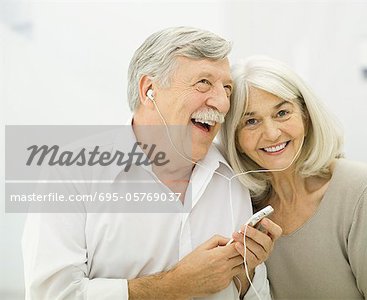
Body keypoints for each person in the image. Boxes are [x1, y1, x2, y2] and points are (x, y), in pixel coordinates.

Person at [22, 27, 281, 300]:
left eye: (226, 88)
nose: (222, 103)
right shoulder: (69, 173)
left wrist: (245, 273)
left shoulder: (233, 174)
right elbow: (50, 295)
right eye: (203, 82)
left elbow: (255, 294)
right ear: (149, 91)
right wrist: (175, 285)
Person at [220, 56, 367, 299]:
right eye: (251, 121)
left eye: (282, 112)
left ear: (305, 116)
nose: (271, 133)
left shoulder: (361, 188)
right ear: (235, 138)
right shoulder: (242, 204)